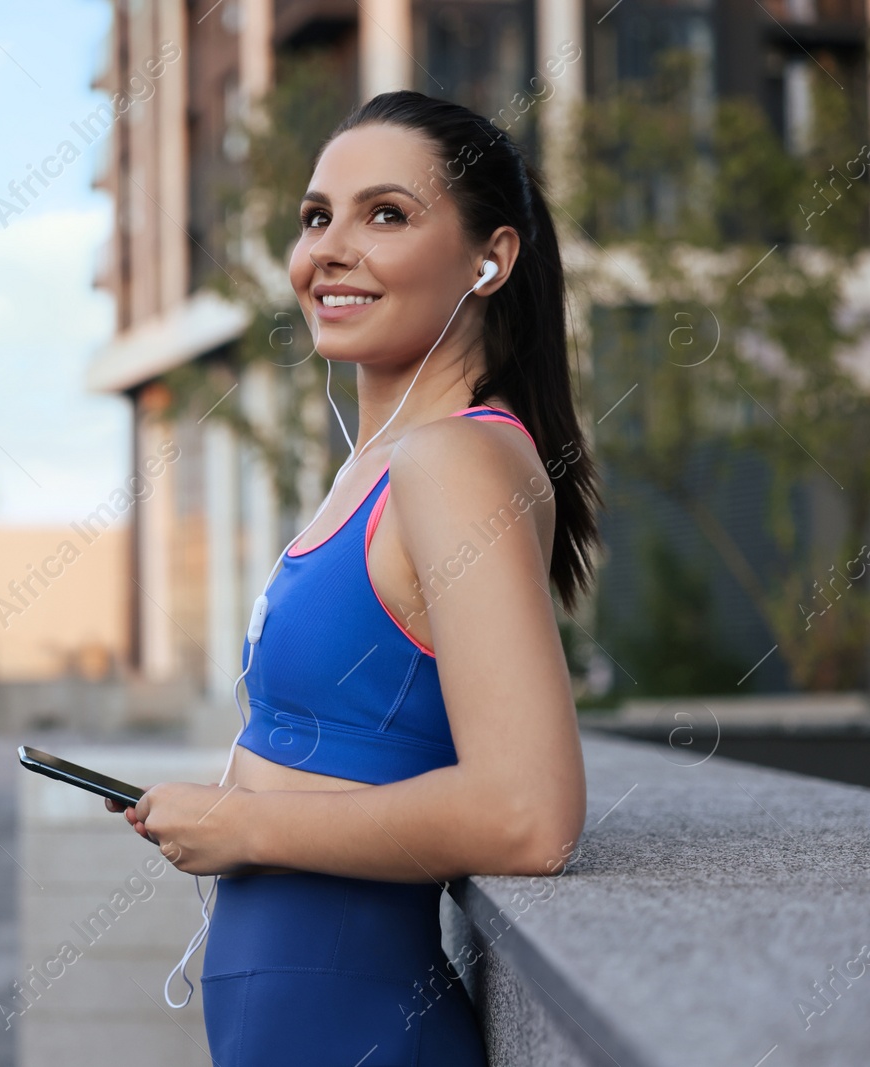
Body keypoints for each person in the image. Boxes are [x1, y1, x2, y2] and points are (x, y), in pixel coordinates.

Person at [105, 90, 603, 1064]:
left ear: (489, 258)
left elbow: (528, 812)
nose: (328, 249)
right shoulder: (374, 468)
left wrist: (246, 824)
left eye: (386, 213)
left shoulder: (451, 463)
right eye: (314, 216)